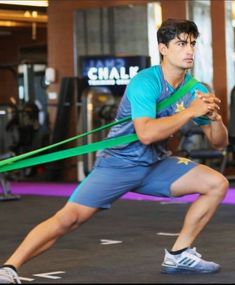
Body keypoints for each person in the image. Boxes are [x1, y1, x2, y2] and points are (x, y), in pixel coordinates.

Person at [0, 18, 229, 283]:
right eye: (180, 43)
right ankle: (9, 268)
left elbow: (219, 143)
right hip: (118, 164)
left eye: (192, 43)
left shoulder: (195, 90)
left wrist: (214, 117)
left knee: (216, 183)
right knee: (69, 219)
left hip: (155, 164)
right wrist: (191, 112)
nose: (188, 50)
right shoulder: (146, 82)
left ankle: (179, 253)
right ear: (163, 48)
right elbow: (146, 133)